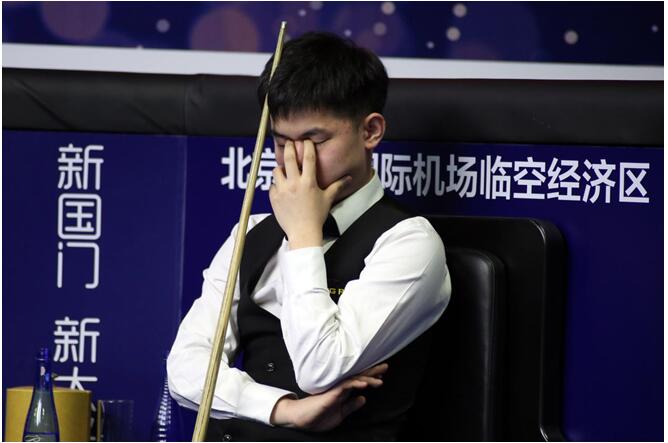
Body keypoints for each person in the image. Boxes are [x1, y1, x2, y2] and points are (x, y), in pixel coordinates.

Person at [167, 32, 451, 441]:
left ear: (370, 131)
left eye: (315, 141)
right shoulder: (252, 232)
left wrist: (303, 234)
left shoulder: (409, 243)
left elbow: (320, 369)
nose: (294, 159)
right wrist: (283, 410)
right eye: (281, 142)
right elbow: (186, 369)